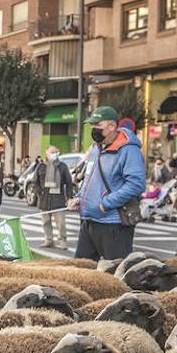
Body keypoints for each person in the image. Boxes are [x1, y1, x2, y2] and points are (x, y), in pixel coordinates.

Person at [69, 106, 145, 261]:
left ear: (112, 126)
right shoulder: (96, 148)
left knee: (115, 273)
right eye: (92, 125)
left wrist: (107, 203)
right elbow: (90, 178)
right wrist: (79, 198)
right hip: (89, 220)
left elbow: (136, 184)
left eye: (98, 125)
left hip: (113, 223)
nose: (93, 129)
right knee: (80, 271)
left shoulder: (128, 150)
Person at [36, 145, 75, 249]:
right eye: (51, 152)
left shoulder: (62, 166)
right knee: (46, 222)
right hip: (44, 199)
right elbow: (35, 181)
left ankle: (63, 241)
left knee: (61, 223)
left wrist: (69, 197)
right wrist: (39, 192)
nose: (53, 154)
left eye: (55, 152)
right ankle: (48, 240)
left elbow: (69, 183)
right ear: (46, 153)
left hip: (58, 199)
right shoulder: (41, 166)